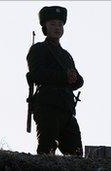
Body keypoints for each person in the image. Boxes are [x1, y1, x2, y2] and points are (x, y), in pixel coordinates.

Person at [26, 6, 84, 156]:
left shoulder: (66, 55)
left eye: (60, 24)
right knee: (47, 151)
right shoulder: (38, 49)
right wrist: (64, 77)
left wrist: (74, 78)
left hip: (66, 108)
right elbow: (37, 74)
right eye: (52, 24)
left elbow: (78, 81)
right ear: (45, 26)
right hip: (47, 106)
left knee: (76, 155)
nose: (57, 27)